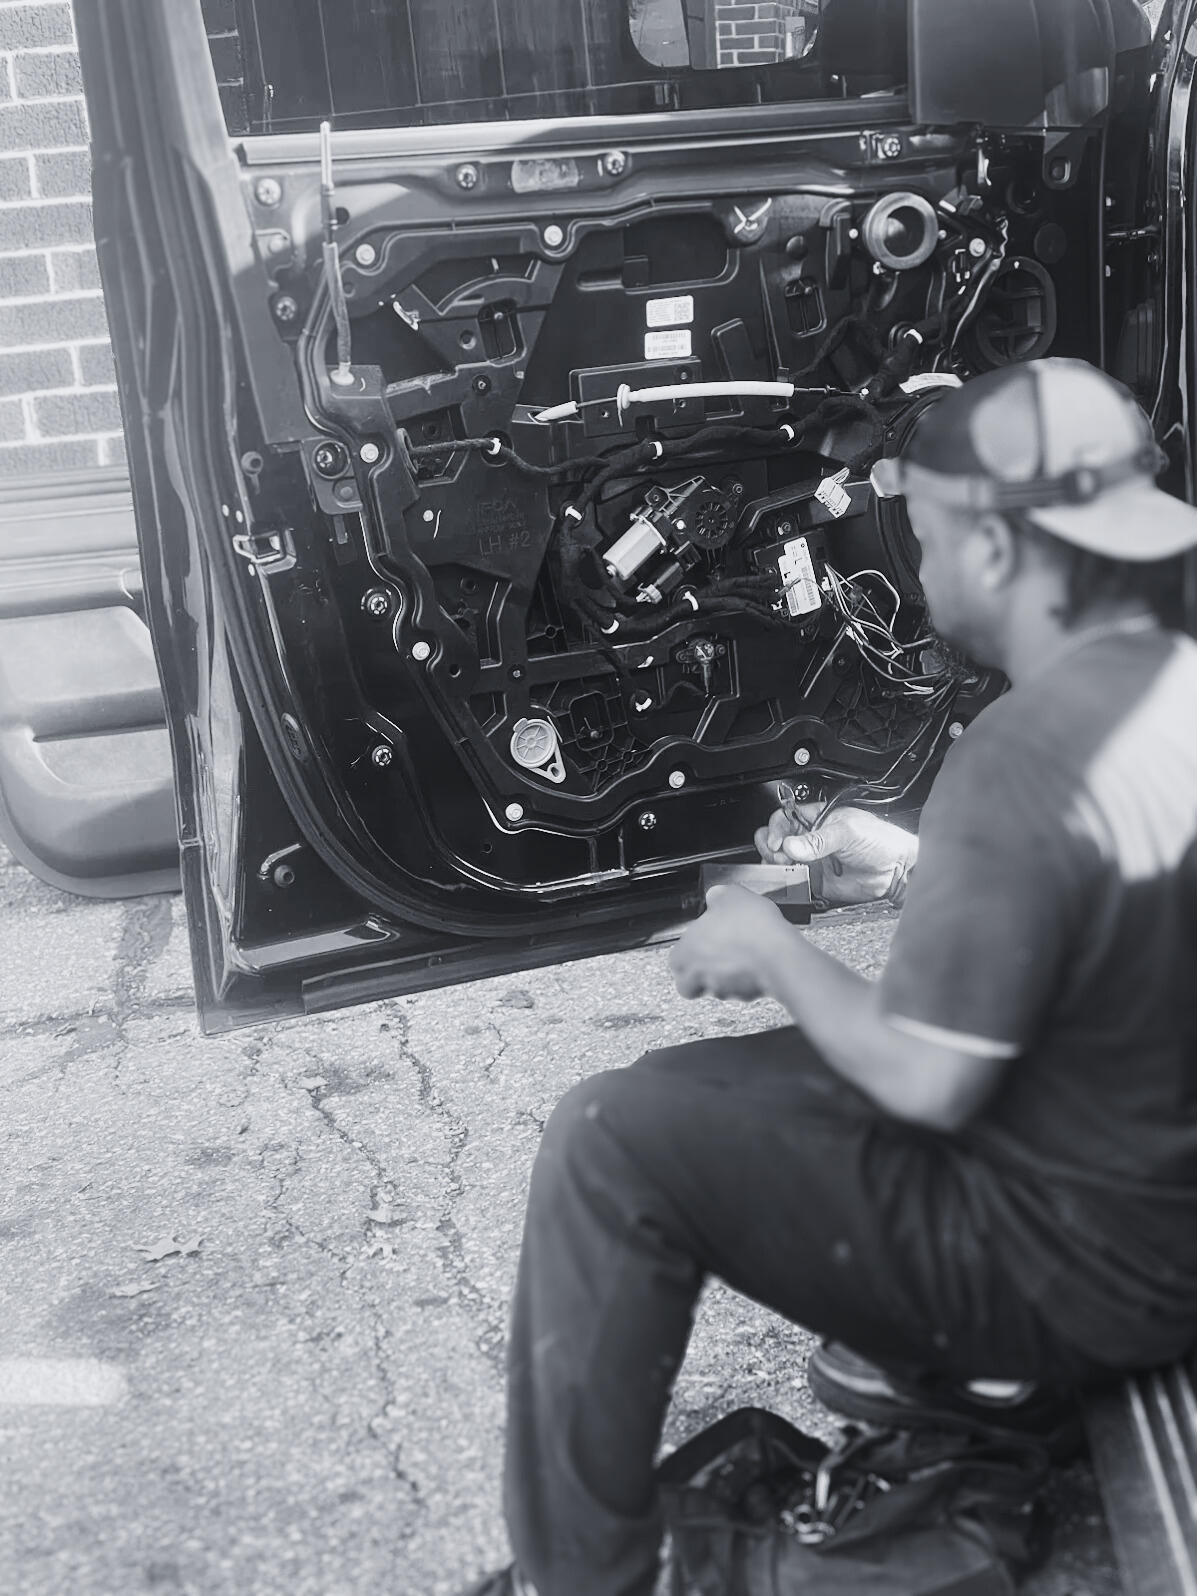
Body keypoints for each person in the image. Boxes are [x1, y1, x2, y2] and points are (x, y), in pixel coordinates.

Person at [465, 359, 1197, 1596]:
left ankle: (588, 1575)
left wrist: (771, 949)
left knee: (617, 1134)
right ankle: (969, 1381)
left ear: (1005, 552)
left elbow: (924, 1080)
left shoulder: (1030, 755)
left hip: (1083, 1267)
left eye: (928, 538)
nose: (919, 572)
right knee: (711, 1092)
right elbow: (1087, 953)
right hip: (1146, 1194)